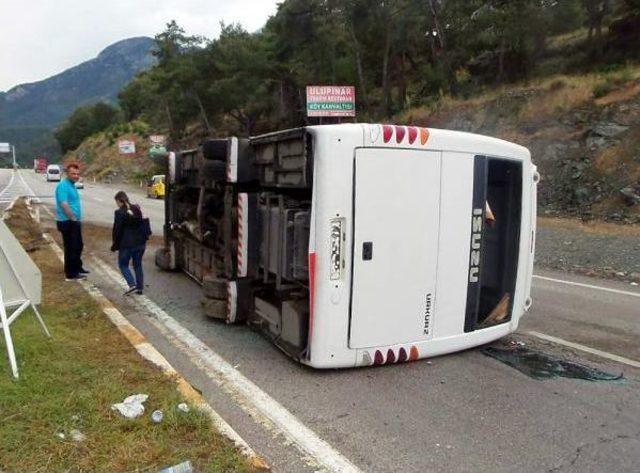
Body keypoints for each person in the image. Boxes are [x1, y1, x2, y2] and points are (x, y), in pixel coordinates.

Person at [111, 191, 148, 295]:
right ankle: (140, 288)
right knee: (137, 265)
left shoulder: (119, 213)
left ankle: (132, 284)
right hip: (140, 242)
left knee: (123, 265)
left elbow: (117, 230)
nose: (117, 204)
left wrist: (115, 245)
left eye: (116, 202)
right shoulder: (136, 208)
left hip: (126, 244)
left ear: (119, 201)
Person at [55, 163, 87, 281]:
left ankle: (77, 267)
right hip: (67, 221)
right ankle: (71, 274)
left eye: (78, 174)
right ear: (67, 173)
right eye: (73, 173)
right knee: (71, 248)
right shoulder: (63, 186)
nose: (76, 176)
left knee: (78, 245)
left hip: (73, 221)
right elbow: (64, 204)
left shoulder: (72, 185)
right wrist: (73, 218)